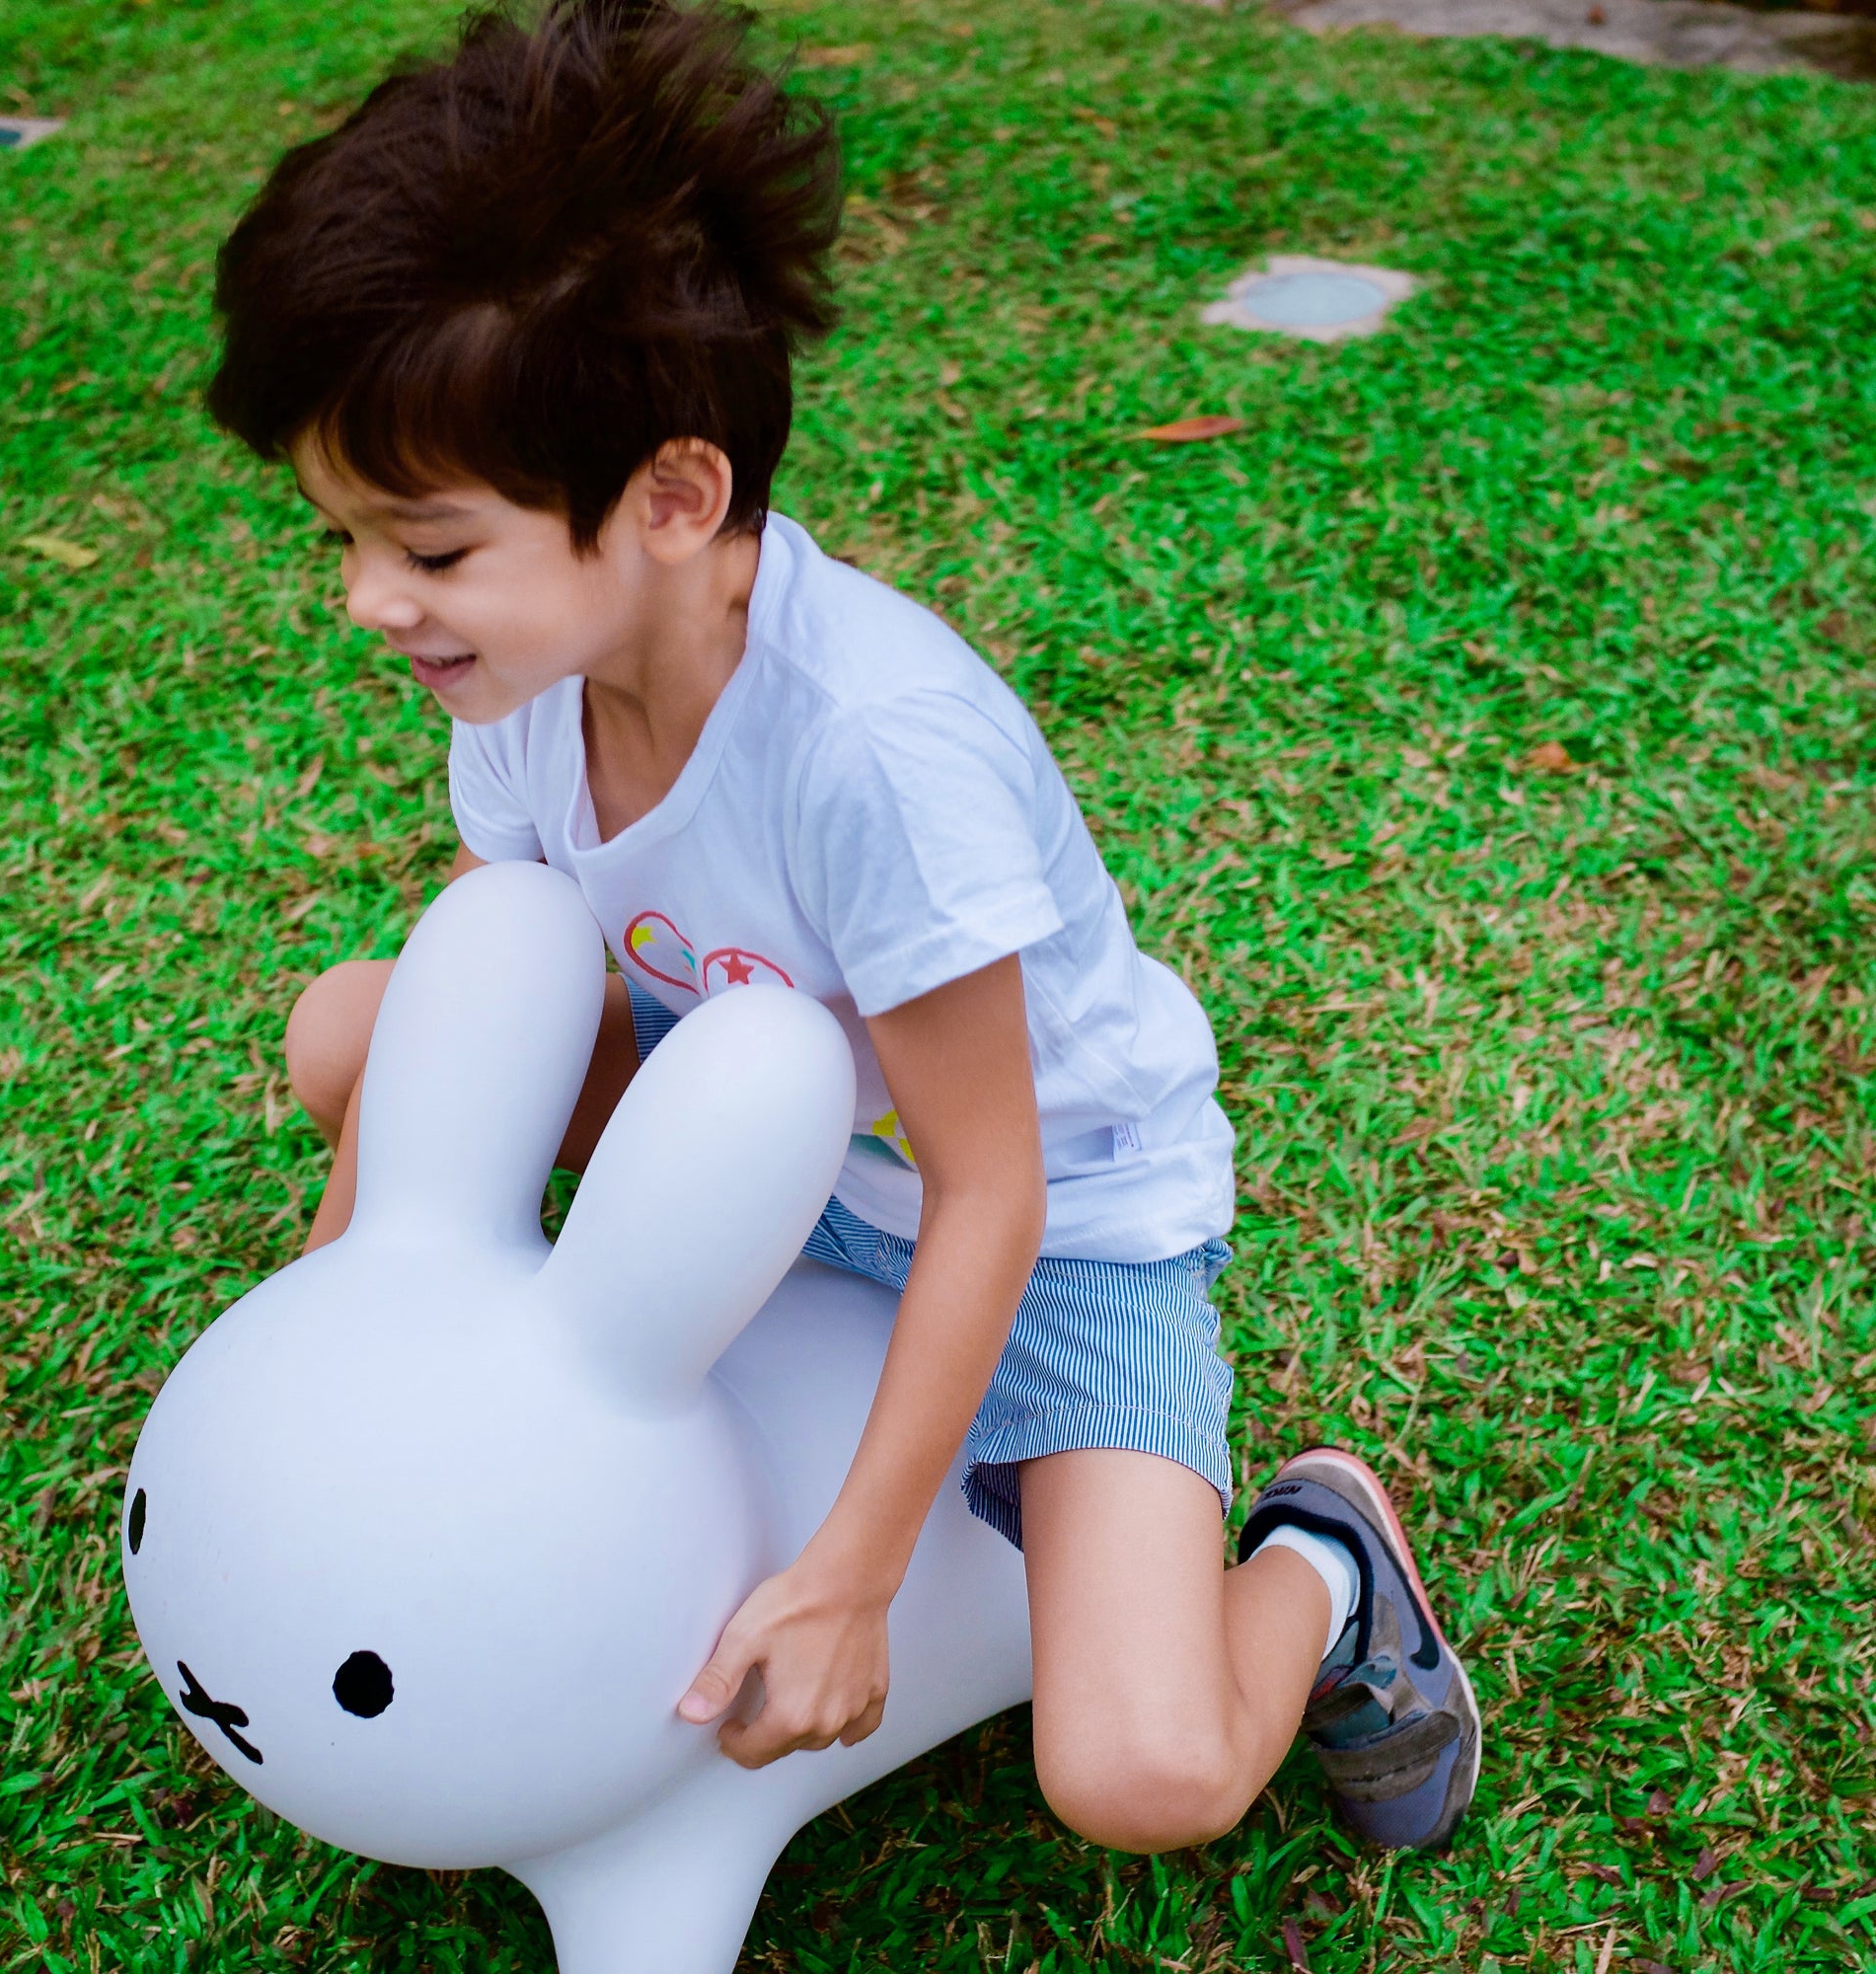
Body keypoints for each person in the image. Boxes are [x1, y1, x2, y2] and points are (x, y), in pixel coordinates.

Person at [207, 0, 1479, 1856]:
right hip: (753, 1154)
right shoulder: (529, 687)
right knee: (362, 1030)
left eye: (427, 545)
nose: (369, 603)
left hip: (1047, 1242)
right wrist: (338, 1343)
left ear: (672, 497)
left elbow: (997, 1189)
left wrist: (856, 1572)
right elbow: (485, 1017)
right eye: (344, 541)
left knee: (1146, 1778)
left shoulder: (876, 751)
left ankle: (1324, 1557)